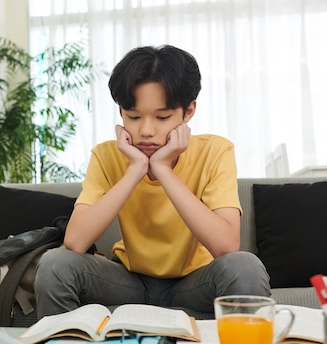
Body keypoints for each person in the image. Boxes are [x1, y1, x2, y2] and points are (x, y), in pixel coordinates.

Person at [34, 45, 270, 319]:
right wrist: (135, 169)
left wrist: (163, 169)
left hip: (195, 282)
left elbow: (226, 246)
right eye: (133, 116)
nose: (146, 130)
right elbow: (75, 242)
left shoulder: (215, 151)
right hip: (128, 280)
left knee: (245, 266)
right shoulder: (106, 155)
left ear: (188, 111)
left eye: (162, 117)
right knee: (55, 264)